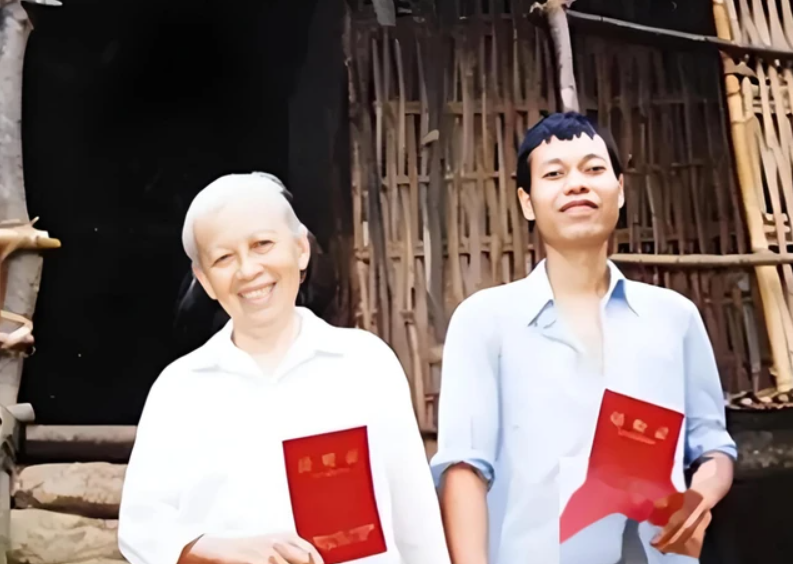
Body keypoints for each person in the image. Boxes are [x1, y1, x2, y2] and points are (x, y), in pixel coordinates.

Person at [430, 112, 735, 564]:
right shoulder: (484, 321)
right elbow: (464, 469)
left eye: (593, 169)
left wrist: (699, 496)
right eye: (554, 174)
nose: (576, 184)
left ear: (620, 190)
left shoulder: (675, 318)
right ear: (527, 202)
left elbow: (712, 446)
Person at [118, 172, 450, 564]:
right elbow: (140, 530)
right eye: (224, 258)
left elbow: (417, 525)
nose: (247, 270)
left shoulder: (366, 364)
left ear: (300, 249)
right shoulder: (179, 389)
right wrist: (225, 549)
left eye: (262, 244)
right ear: (205, 281)